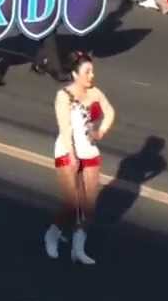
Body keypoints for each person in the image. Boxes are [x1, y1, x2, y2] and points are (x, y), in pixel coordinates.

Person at [44, 52, 115, 265]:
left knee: (89, 205)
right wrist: (72, 156)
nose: (91, 75)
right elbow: (65, 129)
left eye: (92, 71)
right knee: (71, 202)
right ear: (75, 74)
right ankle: (53, 234)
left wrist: (100, 132)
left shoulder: (95, 92)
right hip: (67, 150)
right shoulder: (63, 96)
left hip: (89, 150)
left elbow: (110, 111)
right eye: (87, 72)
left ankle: (78, 248)